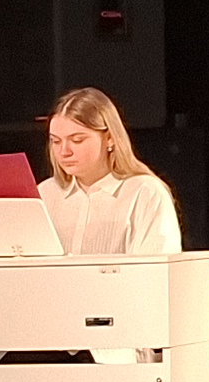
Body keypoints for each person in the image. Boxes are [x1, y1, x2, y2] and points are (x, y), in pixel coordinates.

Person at [37, 88, 182, 256]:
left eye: (77, 140)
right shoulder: (43, 194)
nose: (64, 151)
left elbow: (157, 265)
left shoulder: (145, 192)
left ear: (109, 138)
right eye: (56, 141)